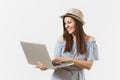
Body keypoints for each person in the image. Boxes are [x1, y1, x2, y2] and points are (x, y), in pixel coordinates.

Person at [36, 8, 98, 80]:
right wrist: (46, 66)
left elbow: (89, 65)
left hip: (77, 77)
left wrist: (70, 60)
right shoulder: (62, 39)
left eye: (69, 22)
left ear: (78, 23)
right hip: (59, 77)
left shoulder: (90, 41)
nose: (66, 26)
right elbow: (57, 61)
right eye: (65, 23)